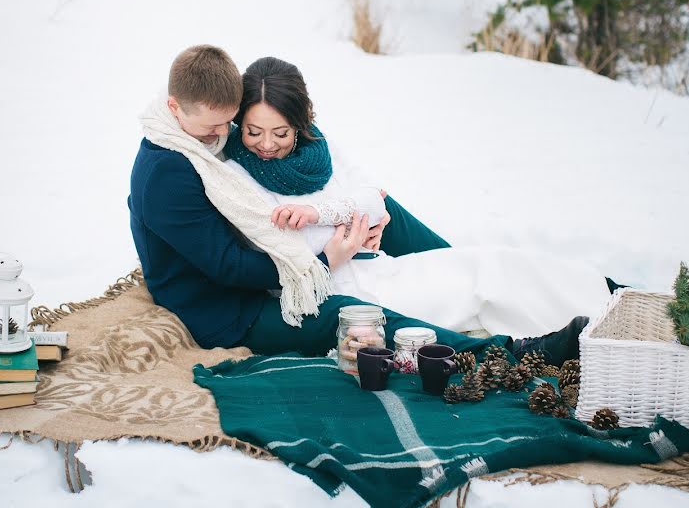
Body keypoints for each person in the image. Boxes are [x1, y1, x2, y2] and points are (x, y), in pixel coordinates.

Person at [129, 44, 587, 365]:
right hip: (228, 311)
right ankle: (512, 355)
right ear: (174, 106)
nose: (223, 136)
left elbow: (360, 194)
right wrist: (329, 256)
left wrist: (345, 219)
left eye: (229, 123)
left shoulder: (201, 143)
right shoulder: (170, 173)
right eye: (216, 127)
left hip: (281, 266)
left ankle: (498, 273)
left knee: (392, 216)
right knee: (359, 318)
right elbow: (229, 267)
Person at [223, 56, 612, 339]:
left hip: (377, 266)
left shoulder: (319, 149)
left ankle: (610, 297)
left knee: (490, 261)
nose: (267, 145)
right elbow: (286, 252)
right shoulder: (237, 177)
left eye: (281, 132)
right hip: (347, 291)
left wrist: (326, 214)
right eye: (254, 132)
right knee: (480, 286)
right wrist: (347, 231)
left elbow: (375, 198)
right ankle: (595, 326)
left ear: (300, 123)